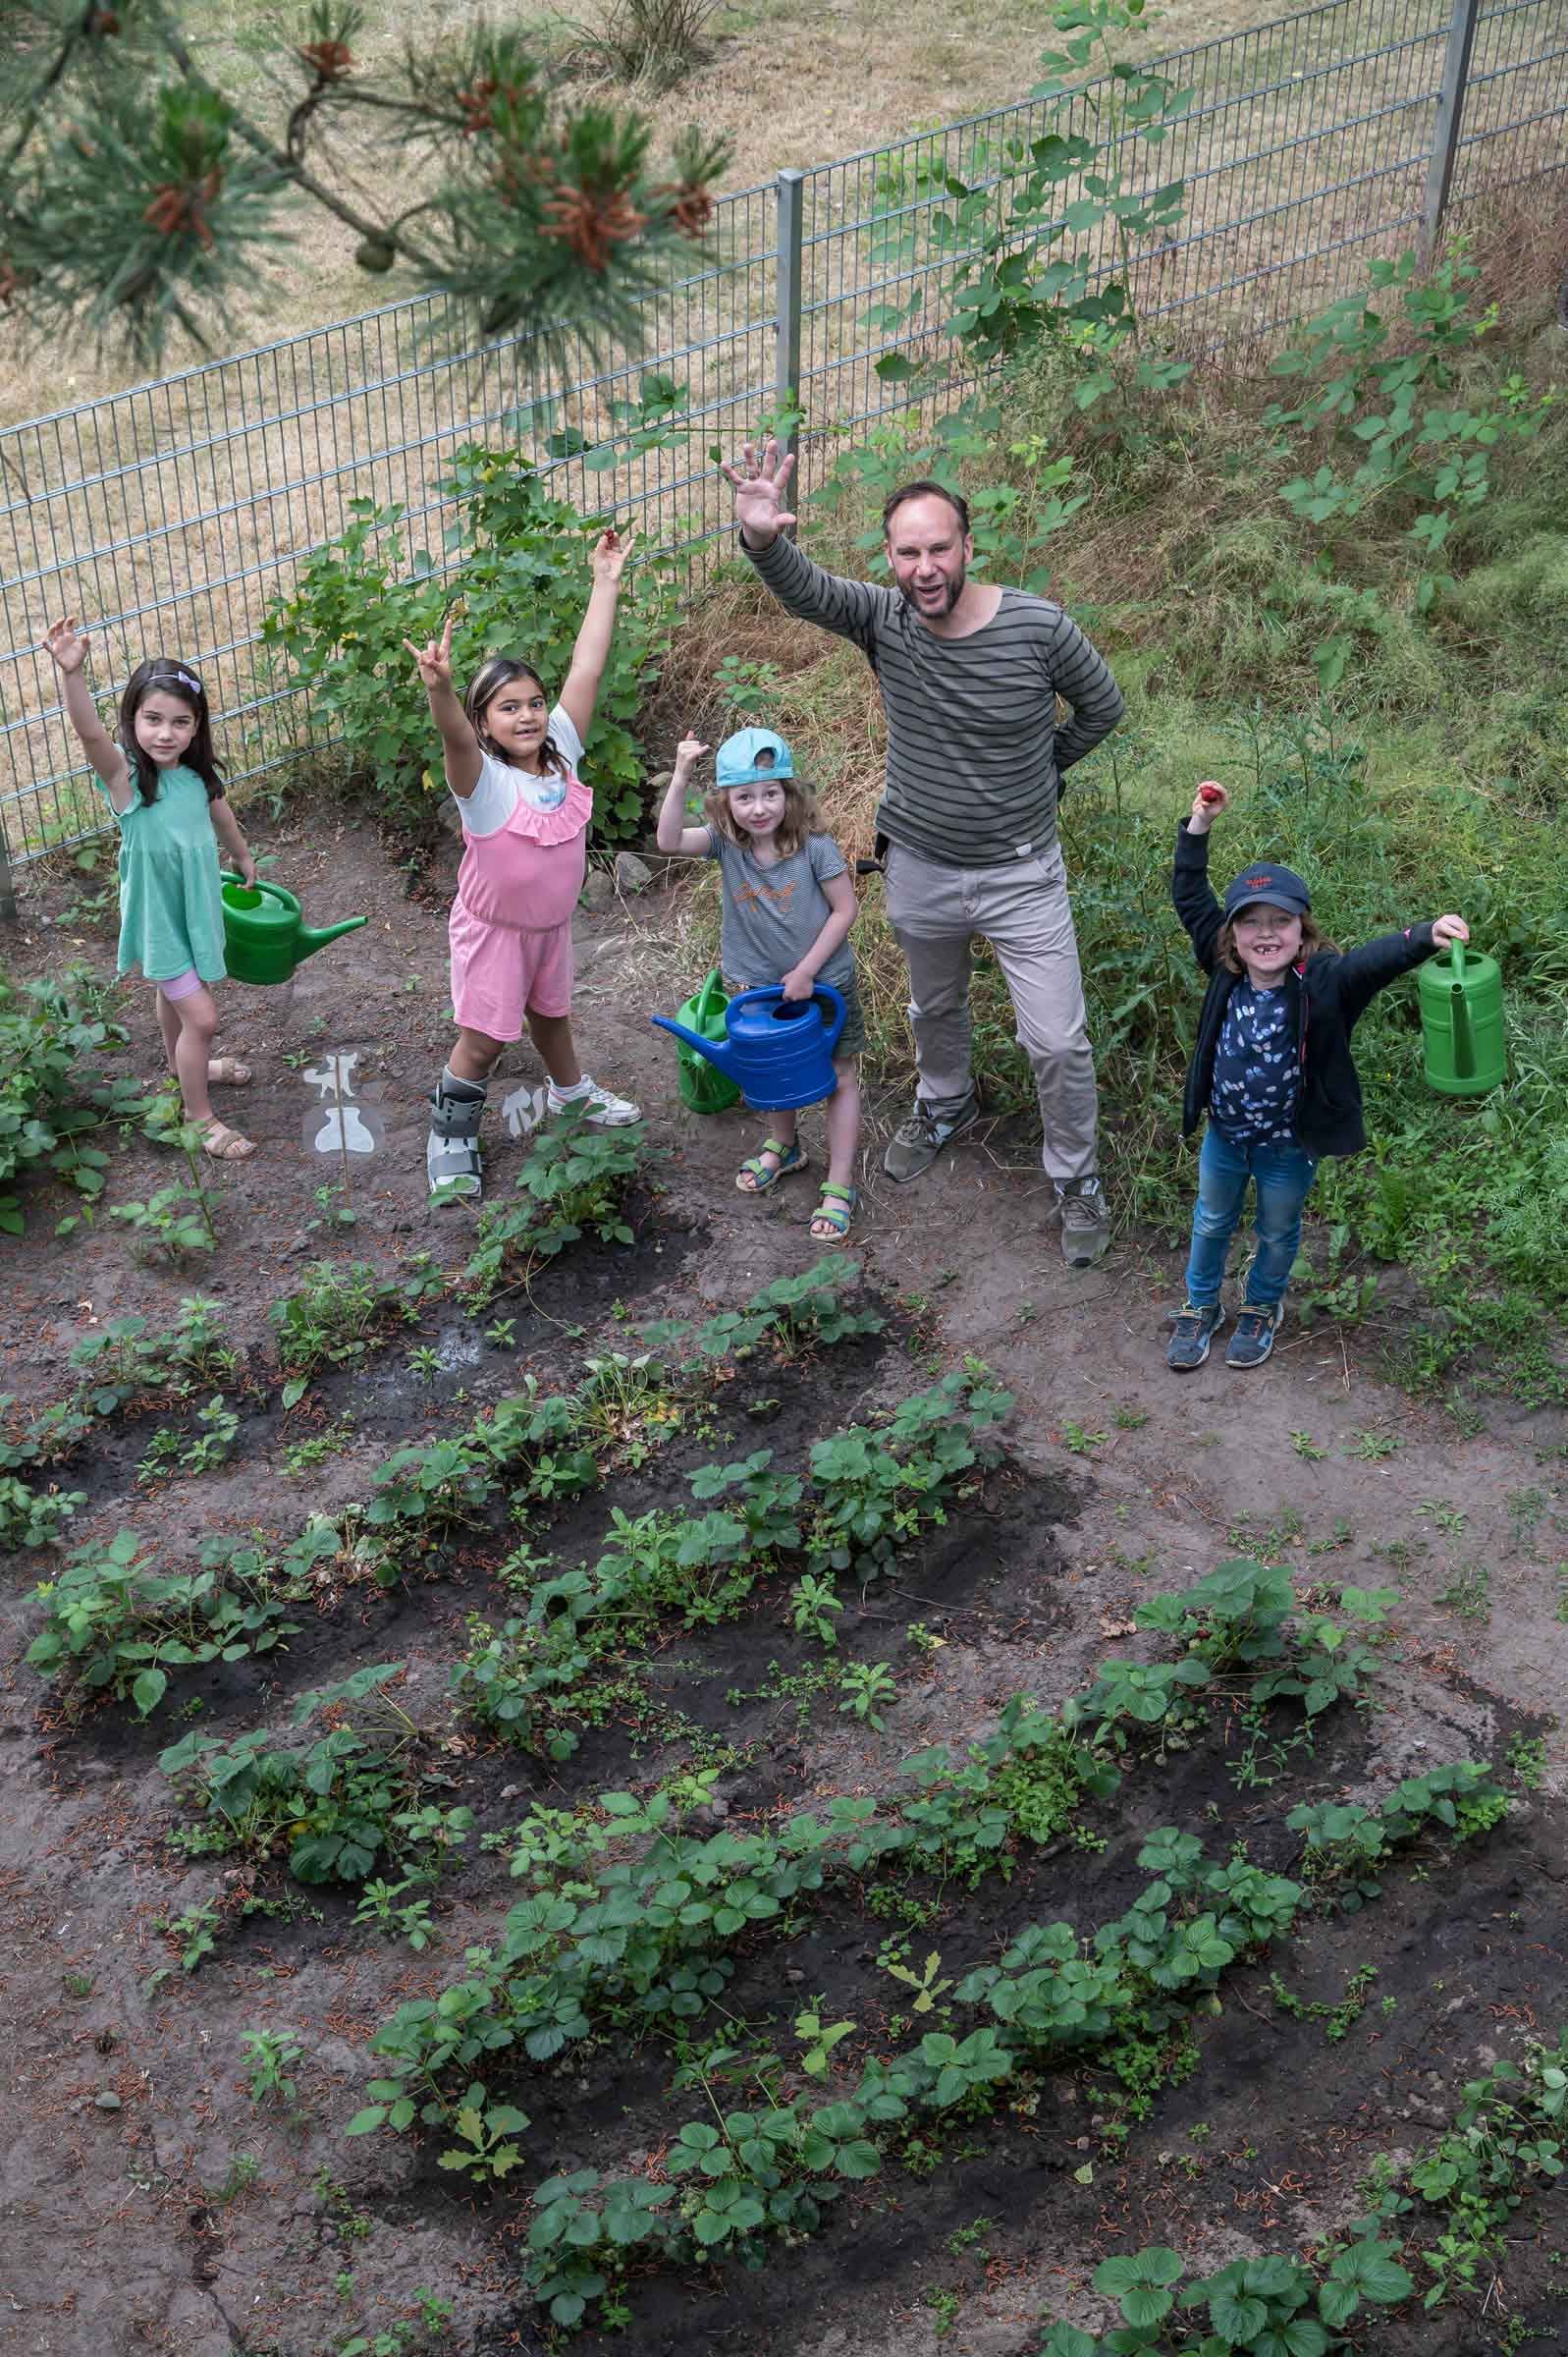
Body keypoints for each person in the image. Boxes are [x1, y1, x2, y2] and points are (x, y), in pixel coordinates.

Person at [722, 437, 1125, 1266]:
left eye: (939, 549)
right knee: (933, 1009)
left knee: (1057, 1041)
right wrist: (761, 537)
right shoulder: (885, 619)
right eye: (907, 553)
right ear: (890, 557)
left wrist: (1042, 770)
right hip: (918, 864)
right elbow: (806, 591)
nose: (925, 568)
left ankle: (1076, 1176)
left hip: (1021, 872)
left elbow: (1101, 707)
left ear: (968, 546)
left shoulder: (1038, 628)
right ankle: (944, 1102)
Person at [1167, 779, 1470, 1371]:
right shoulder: (1224, 968)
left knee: (1277, 1231)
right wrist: (1198, 827)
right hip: (1224, 1138)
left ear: (1302, 930)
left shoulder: (1324, 981)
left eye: (1280, 921)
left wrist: (1422, 937)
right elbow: (1190, 895)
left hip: (1289, 1144)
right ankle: (1200, 1306)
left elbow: (1371, 963)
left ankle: (1260, 1307)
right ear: (1231, 936)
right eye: (1251, 923)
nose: (1265, 934)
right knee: (1211, 1221)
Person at [406, 527, 641, 1203]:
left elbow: (587, 667)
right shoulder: (483, 783)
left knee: (552, 1015)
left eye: (534, 702)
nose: (529, 715)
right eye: (508, 708)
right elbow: (452, 736)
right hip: (495, 934)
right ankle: (450, 1136)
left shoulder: (561, 750)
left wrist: (605, 581)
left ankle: (570, 1092)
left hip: (548, 929)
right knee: (483, 1043)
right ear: (484, 724)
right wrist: (440, 688)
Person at [42, 620, 260, 1160]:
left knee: (176, 999)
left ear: (197, 726)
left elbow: (220, 813)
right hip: (159, 920)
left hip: (194, 911)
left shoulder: (196, 776)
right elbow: (90, 735)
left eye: (180, 722)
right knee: (202, 1018)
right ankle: (199, 1117)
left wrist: (241, 853)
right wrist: (72, 675)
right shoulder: (129, 781)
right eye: (153, 719)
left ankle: (183, 1068)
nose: (166, 733)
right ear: (133, 720)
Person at [656, 726, 863, 1240]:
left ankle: (840, 1182)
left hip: (825, 983)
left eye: (770, 793)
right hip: (756, 986)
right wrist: (680, 776)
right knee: (773, 1072)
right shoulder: (727, 845)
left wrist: (807, 970)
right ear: (725, 803)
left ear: (789, 793)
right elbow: (668, 841)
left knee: (840, 1075)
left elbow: (845, 909)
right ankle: (785, 1146)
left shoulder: (814, 846)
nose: (759, 808)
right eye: (744, 797)